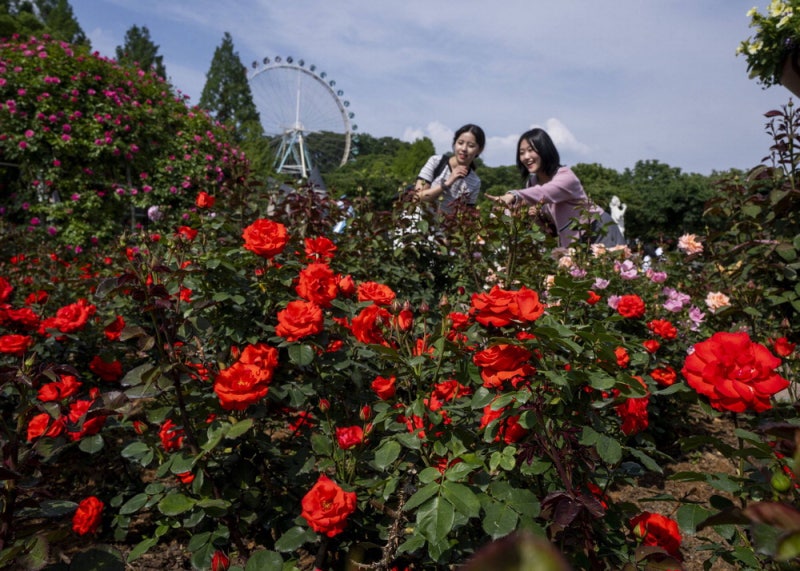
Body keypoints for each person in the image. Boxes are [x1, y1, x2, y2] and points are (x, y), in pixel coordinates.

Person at [487, 128, 624, 248]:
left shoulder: (565, 176)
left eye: (531, 150)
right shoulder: (532, 184)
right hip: (573, 241)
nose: (526, 157)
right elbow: (550, 228)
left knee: (613, 274)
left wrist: (512, 195)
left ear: (545, 150)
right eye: (522, 152)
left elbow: (545, 192)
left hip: (597, 229)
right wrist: (532, 216)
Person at [413, 124, 486, 214]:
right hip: (417, 223)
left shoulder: (475, 181)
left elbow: (466, 215)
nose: (464, 149)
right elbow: (417, 197)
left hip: (444, 227)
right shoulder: (436, 161)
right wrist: (446, 184)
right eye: (460, 143)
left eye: (471, 145)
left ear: (479, 150)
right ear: (454, 143)